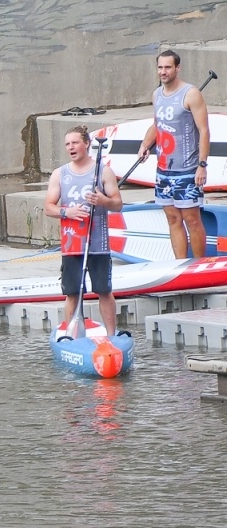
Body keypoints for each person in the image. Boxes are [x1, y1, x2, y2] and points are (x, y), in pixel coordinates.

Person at [44, 126, 123, 340]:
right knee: (72, 292)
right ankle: (72, 337)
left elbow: (118, 204)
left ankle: (111, 335)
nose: (71, 147)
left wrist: (103, 200)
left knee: (103, 290)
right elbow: (48, 207)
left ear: (86, 143)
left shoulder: (103, 171)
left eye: (75, 143)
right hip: (72, 244)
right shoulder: (59, 174)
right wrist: (67, 211)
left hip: (98, 244)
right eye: (67, 144)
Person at [138, 49, 210, 258]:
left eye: (168, 67)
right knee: (172, 218)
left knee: (191, 219)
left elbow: (204, 131)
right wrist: (145, 144)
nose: (163, 71)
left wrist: (202, 165)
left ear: (177, 68)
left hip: (187, 168)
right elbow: (157, 124)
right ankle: (179, 265)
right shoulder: (157, 94)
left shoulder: (191, 93)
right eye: (160, 67)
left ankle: (198, 266)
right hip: (163, 169)